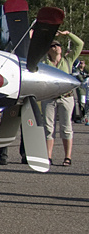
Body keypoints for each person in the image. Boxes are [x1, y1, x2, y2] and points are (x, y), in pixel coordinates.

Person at [42, 30, 84, 166]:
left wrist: (67, 34)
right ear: (48, 50)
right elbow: (32, 51)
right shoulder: (44, 62)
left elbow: (80, 44)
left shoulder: (68, 60)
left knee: (66, 128)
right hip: (49, 98)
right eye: (53, 46)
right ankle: (48, 156)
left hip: (67, 98)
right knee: (48, 128)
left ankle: (68, 157)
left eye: (58, 45)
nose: (57, 47)